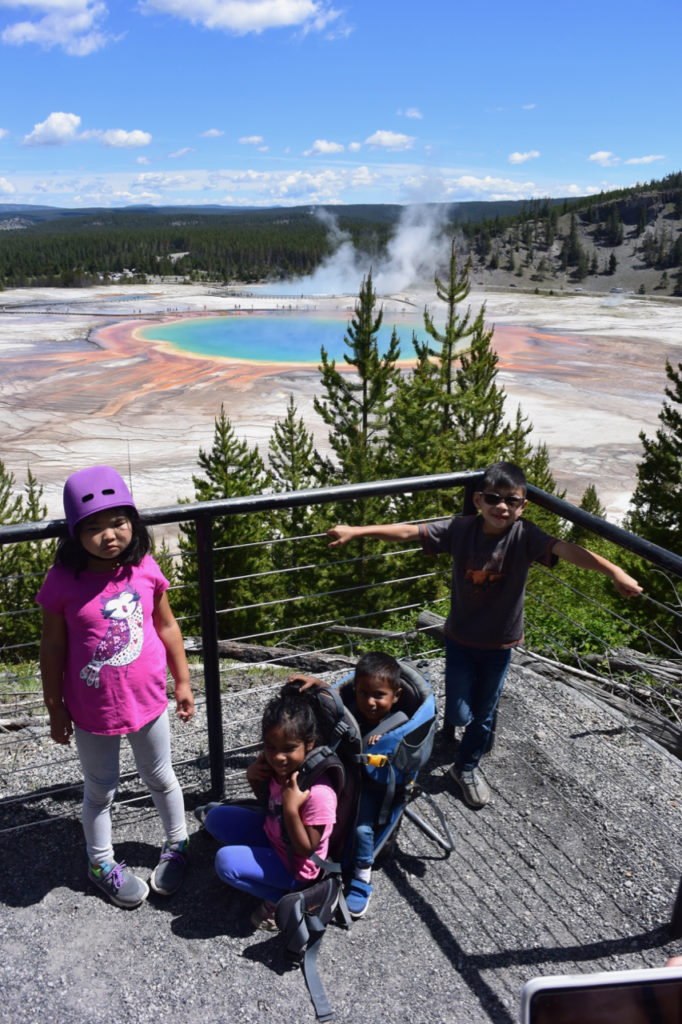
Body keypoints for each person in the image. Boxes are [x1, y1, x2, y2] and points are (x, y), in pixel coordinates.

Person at [327, 461, 642, 810]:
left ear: (523, 506)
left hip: (501, 645)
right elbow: (409, 532)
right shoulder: (461, 530)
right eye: (493, 498)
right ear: (478, 500)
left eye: (512, 501)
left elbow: (568, 550)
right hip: (460, 640)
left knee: (482, 713)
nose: (502, 507)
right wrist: (357, 531)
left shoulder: (526, 536)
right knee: (461, 713)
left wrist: (615, 571)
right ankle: (470, 731)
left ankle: (467, 767)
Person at [37, 465, 194, 909]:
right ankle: (100, 862)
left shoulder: (144, 567)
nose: (109, 535)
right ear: (74, 532)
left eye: (118, 522)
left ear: (133, 522)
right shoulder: (62, 582)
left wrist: (182, 681)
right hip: (91, 709)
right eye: (94, 527)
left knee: (162, 777)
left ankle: (178, 843)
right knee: (100, 790)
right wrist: (55, 707)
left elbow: (167, 626)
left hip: (149, 701)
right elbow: (51, 647)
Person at [204, 681, 338, 931]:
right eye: (270, 747)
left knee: (225, 862)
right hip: (276, 833)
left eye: (289, 749)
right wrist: (254, 778)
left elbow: (307, 849)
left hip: (297, 866)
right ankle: (260, 862)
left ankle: (280, 899)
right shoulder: (276, 766)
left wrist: (290, 808)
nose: (278, 757)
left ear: (309, 744)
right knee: (215, 818)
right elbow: (268, 805)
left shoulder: (319, 792)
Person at [342, 652, 408, 919]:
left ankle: (362, 876)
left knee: (361, 828)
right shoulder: (352, 713)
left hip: (374, 785)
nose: (369, 702)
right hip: (348, 776)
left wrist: (387, 739)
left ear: (396, 695)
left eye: (379, 695)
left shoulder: (400, 722)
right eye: (362, 693)